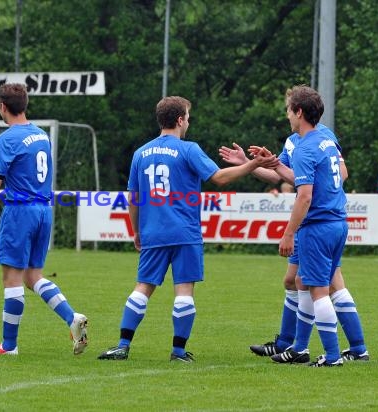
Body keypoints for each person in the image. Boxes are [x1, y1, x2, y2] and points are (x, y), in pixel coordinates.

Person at [97, 96, 279, 362]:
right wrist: (253, 164)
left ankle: (122, 345)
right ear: (180, 120)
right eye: (188, 118)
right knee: (183, 291)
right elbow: (218, 177)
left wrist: (136, 231)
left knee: (143, 287)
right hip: (185, 232)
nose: (188, 122)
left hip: (153, 232)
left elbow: (133, 200)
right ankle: (178, 352)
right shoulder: (188, 149)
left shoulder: (140, 153)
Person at [0, 83, 88, 356]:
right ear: (24, 104)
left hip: (20, 212)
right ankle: (72, 318)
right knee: (33, 276)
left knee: (12, 279)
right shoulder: (41, 135)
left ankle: (9, 347)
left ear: (2, 106)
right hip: (43, 210)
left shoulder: (6, 139)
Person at [220, 123, 368, 363]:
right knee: (296, 280)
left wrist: (311, 187)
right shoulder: (293, 141)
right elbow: (280, 173)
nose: (287, 114)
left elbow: (340, 174)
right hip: (320, 219)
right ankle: (293, 345)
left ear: (299, 111)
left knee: (326, 285)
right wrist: (247, 165)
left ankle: (339, 350)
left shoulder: (320, 139)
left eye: (289, 107)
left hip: (317, 219)